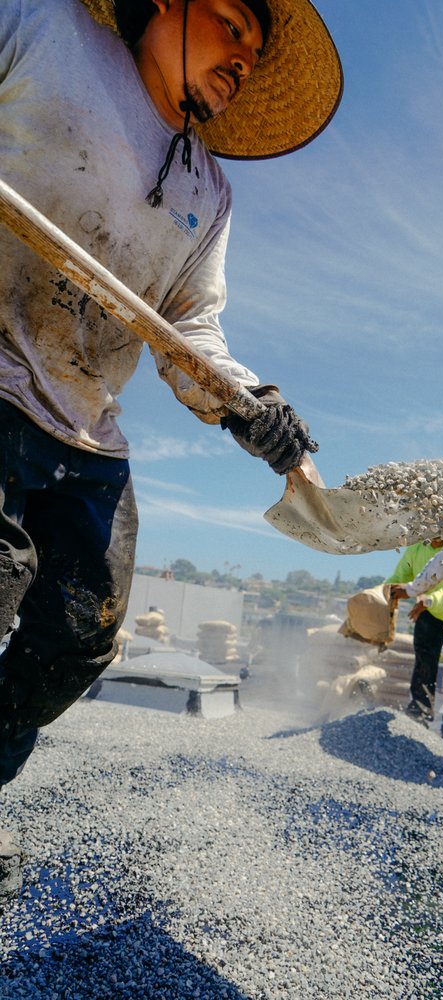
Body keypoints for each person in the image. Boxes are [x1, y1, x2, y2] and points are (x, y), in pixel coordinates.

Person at [0, 0, 342, 898]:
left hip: (82, 422)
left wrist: (255, 409)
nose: (243, 58)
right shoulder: (42, 31)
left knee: (80, 637)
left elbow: (190, 329)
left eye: (255, 49)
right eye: (231, 23)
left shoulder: (207, 193)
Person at [385, 536, 443, 749]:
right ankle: (419, 713)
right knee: (424, 664)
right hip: (428, 611)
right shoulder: (417, 548)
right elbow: (400, 577)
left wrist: (428, 599)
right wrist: (383, 592)